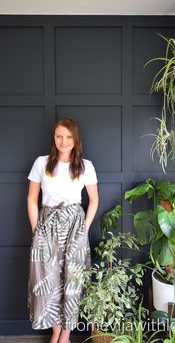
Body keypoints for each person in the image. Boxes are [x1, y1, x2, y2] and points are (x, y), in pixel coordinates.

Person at [27, 118, 99, 343]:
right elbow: (31, 199)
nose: (63, 141)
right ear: (53, 138)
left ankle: (65, 335)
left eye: (68, 137)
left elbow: (94, 200)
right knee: (48, 279)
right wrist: (37, 230)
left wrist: (84, 229)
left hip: (74, 226)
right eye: (59, 136)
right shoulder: (41, 163)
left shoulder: (86, 166)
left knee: (72, 280)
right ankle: (56, 330)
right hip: (46, 224)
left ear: (75, 139)